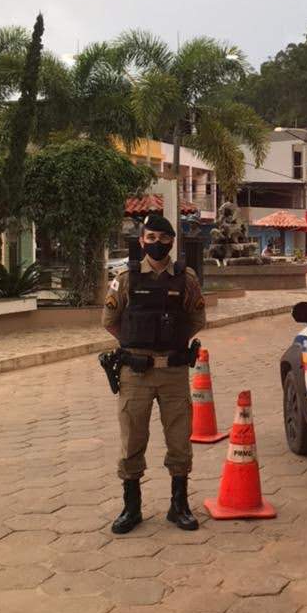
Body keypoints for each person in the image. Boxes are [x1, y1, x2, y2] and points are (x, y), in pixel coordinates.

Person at [102, 213, 207, 536]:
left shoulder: (186, 278)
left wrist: (171, 343)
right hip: (136, 374)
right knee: (132, 439)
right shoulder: (126, 278)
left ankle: (179, 505)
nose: (157, 243)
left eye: (163, 238)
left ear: (172, 241)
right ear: (141, 240)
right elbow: (110, 320)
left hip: (174, 372)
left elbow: (197, 319)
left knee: (179, 440)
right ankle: (131, 507)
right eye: (151, 237)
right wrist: (136, 345)